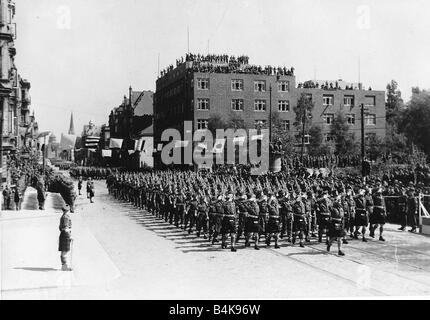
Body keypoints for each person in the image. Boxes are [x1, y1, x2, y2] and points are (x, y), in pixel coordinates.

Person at [59, 205, 73, 271]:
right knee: (65, 251)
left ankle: (64, 266)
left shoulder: (63, 216)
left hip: (63, 234)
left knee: (63, 251)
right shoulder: (65, 217)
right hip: (65, 235)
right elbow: (65, 228)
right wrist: (70, 236)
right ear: (67, 211)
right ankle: (64, 267)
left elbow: (60, 228)